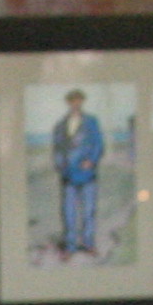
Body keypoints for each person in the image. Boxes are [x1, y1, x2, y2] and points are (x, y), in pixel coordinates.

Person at [52, 88, 104, 259]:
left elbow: (98, 144)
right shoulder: (60, 124)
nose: (75, 103)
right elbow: (57, 149)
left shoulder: (91, 122)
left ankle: (89, 244)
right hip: (68, 175)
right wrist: (61, 166)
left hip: (87, 174)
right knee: (69, 213)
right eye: (72, 100)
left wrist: (91, 161)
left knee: (89, 211)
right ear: (68, 102)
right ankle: (70, 246)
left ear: (82, 102)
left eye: (78, 100)